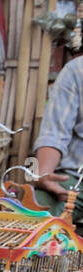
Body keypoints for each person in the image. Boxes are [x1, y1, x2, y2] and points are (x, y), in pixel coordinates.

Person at [33, 53, 83, 222]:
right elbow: (54, 132)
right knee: (36, 216)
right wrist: (45, 172)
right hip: (76, 179)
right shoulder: (77, 70)